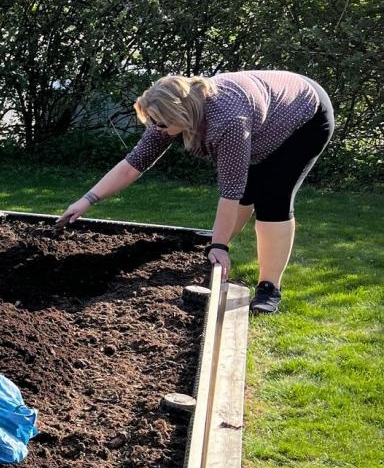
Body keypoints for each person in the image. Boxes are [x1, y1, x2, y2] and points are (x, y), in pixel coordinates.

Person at [56, 70, 334, 312]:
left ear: (181, 114)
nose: (157, 129)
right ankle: (216, 248)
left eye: (161, 124)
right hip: (267, 112)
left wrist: (219, 245)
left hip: (304, 118)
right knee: (250, 189)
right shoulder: (167, 115)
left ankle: (269, 288)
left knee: (273, 196)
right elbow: (133, 165)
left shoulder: (228, 121)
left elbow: (230, 191)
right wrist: (87, 200)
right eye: (152, 122)